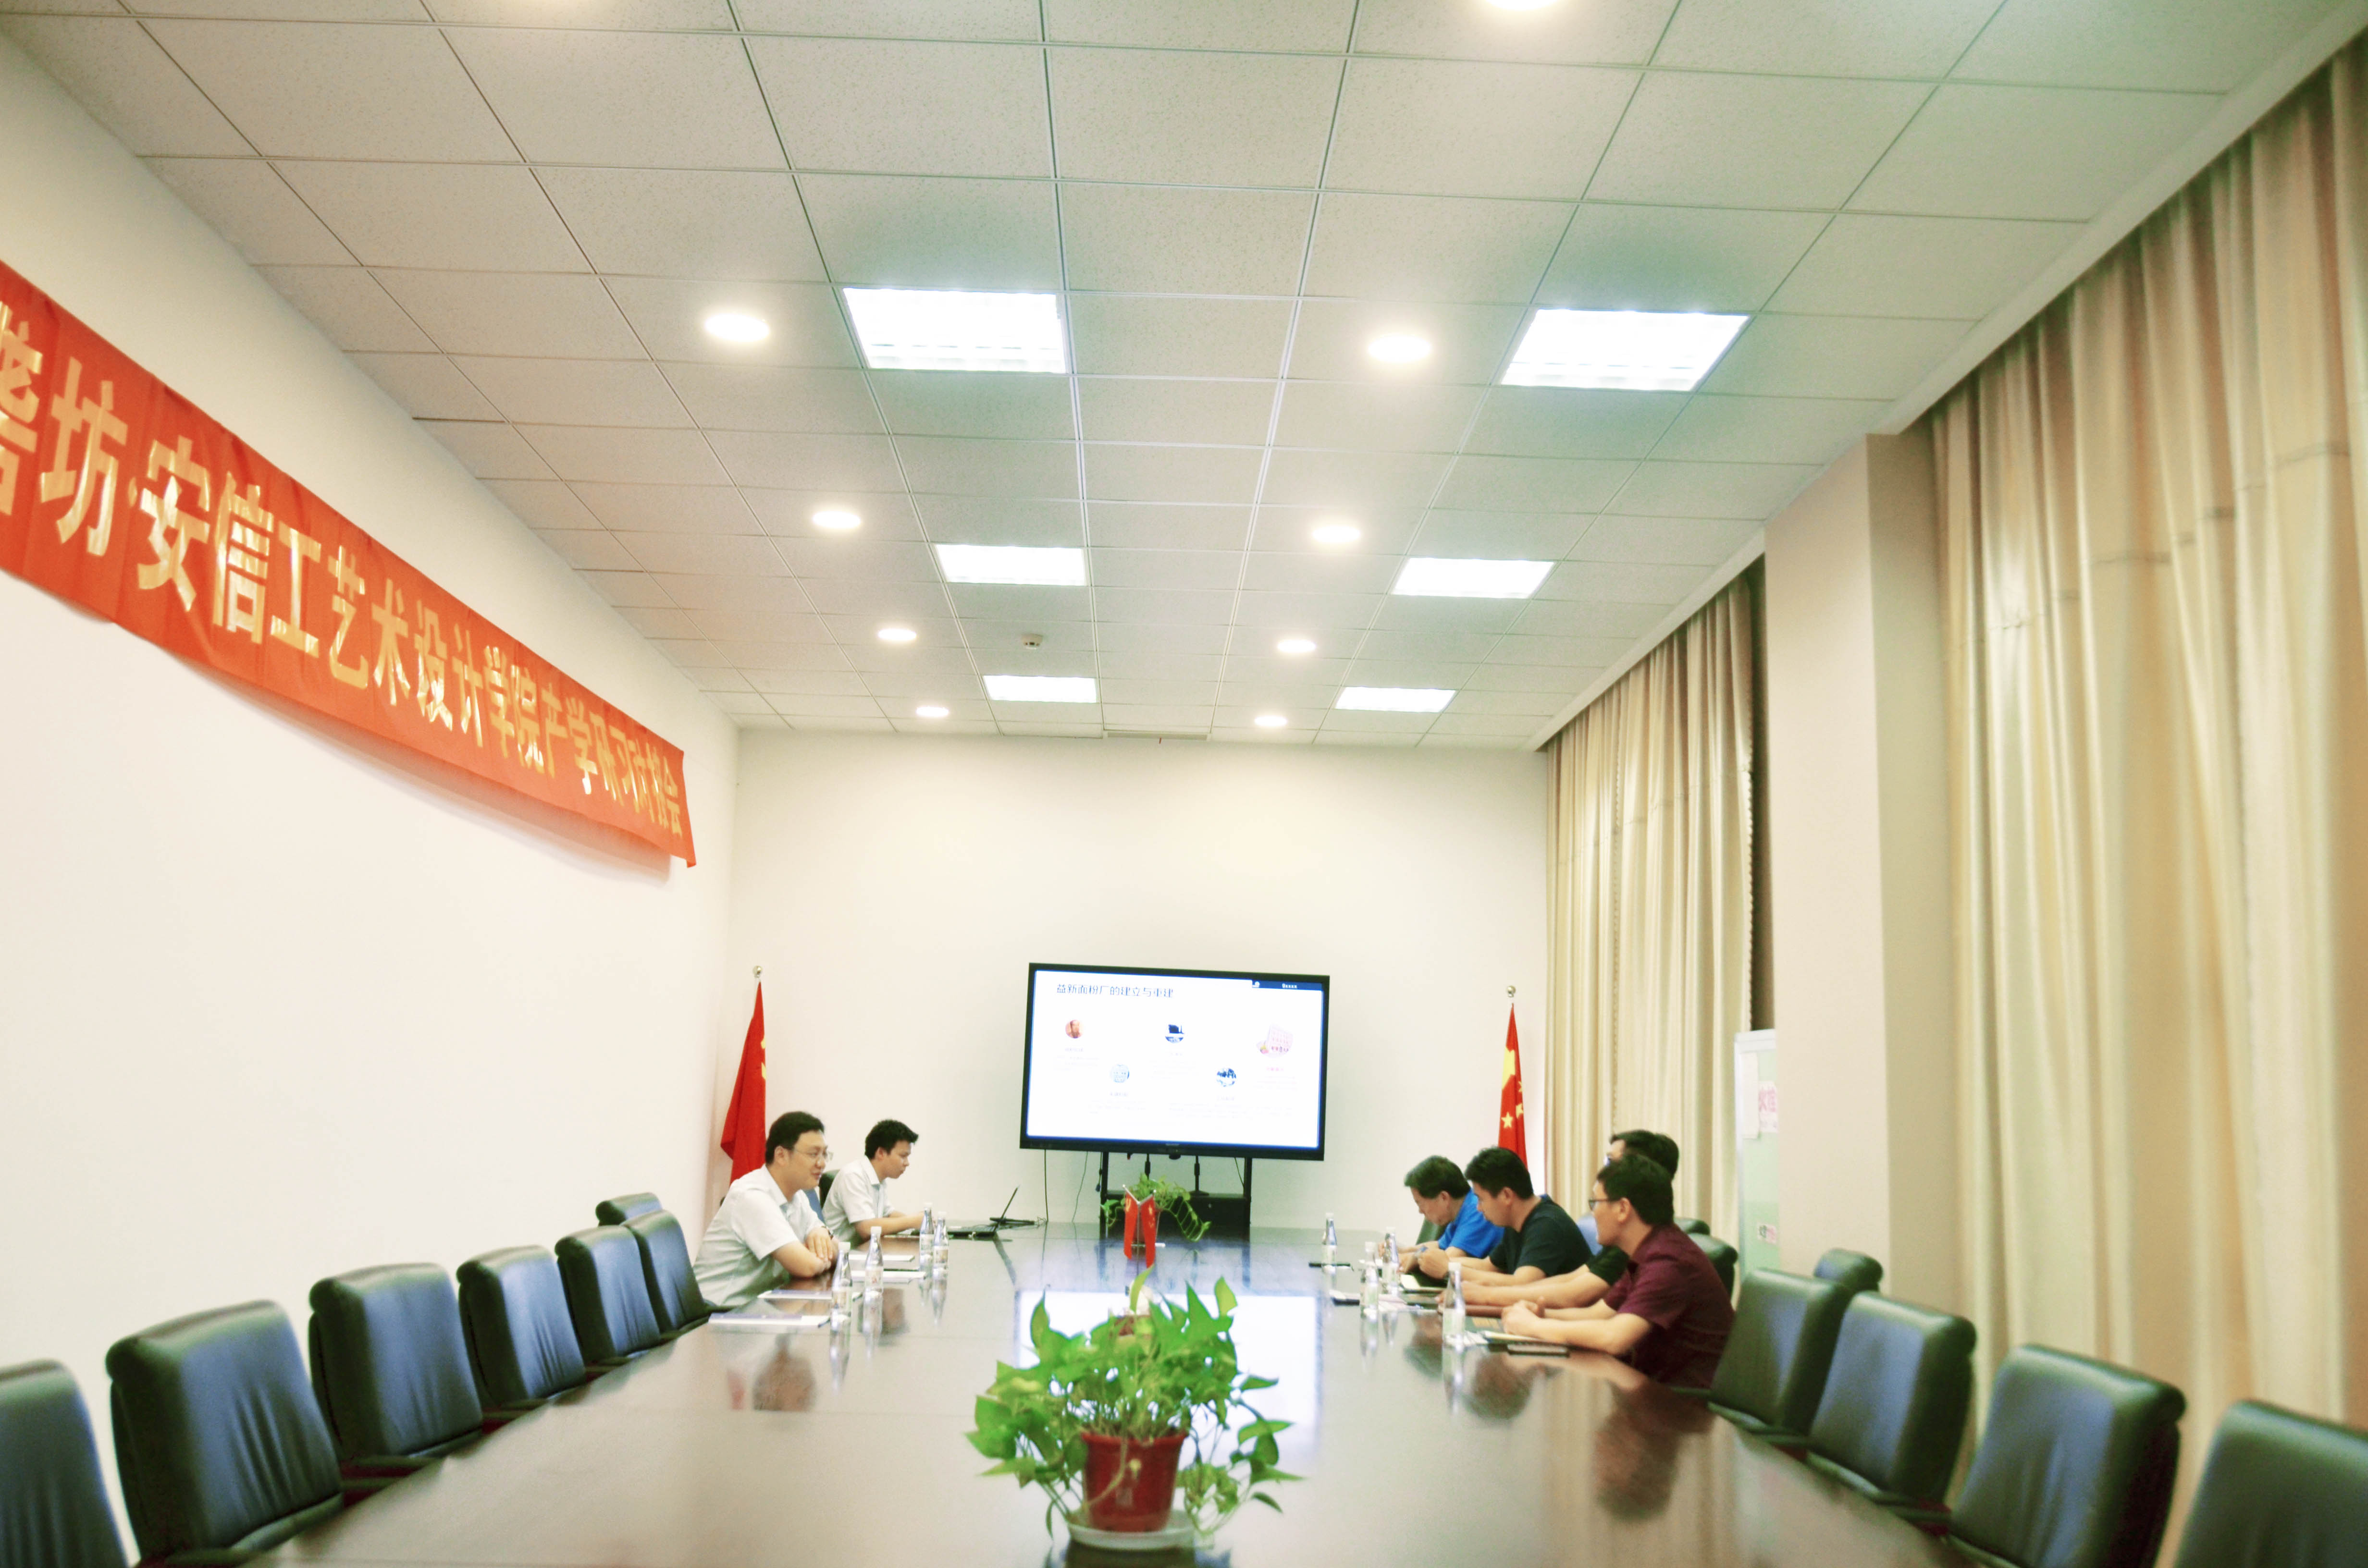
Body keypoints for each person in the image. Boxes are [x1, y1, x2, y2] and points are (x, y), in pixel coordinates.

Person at [1498, 1152, 1734, 1387]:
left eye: (1596, 1203)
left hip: (1683, 1403)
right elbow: (1598, 1315)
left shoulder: (1669, 1261)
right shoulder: (1645, 1251)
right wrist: (1542, 1315)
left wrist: (1535, 1327)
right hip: (1648, 1387)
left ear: (1623, 1209)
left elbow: (1615, 1338)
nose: (1593, 1213)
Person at [1465, 1129, 1682, 1311]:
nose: (1604, 1170)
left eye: (1611, 1161)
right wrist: (1508, 1304)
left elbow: (1577, 1300)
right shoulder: (1627, 1243)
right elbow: (1575, 1287)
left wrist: (1487, 1296)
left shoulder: (1658, 1252)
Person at [692, 1111, 841, 1310]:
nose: (822, 1163)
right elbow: (807, 1267)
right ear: (781, 1155)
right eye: (813, 1154)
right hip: (720, 1312)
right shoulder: (753, 1197)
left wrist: (821, 1231)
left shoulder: (797, 1196)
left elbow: (839, 1249)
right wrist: (822, 1255)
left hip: (761, 1305)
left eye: (824, 1154)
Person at [1455, 1147, 1591, 1284]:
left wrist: (1452, 1270)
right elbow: (1489, 1267)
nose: (1478, 1208)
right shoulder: (1515, 1221)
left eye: (1481, 1199)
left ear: (1506, 1195)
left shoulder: (1547, 1225)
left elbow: (1522, 1284)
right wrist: (1448, 1263)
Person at [1400, 1155, 1504, 1279]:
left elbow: (1443, 1261)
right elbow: (1440, 1246)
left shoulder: (1477, 1212)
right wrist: (1404, 1251)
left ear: (1444, 1198)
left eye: (1420, 1204)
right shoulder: (1461, 1209)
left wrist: (1415, 1257)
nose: (1420, 1211)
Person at [821, 1118, 922, 1243]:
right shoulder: (853, 1176)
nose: (907, 1163)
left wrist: (920, 1223)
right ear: (881, 1153)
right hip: (841, 1253)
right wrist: (912, 1221)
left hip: (863, 1250)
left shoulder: (878, 1179)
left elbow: (888, 1214)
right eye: (903, 1156)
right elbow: (867, 1228)